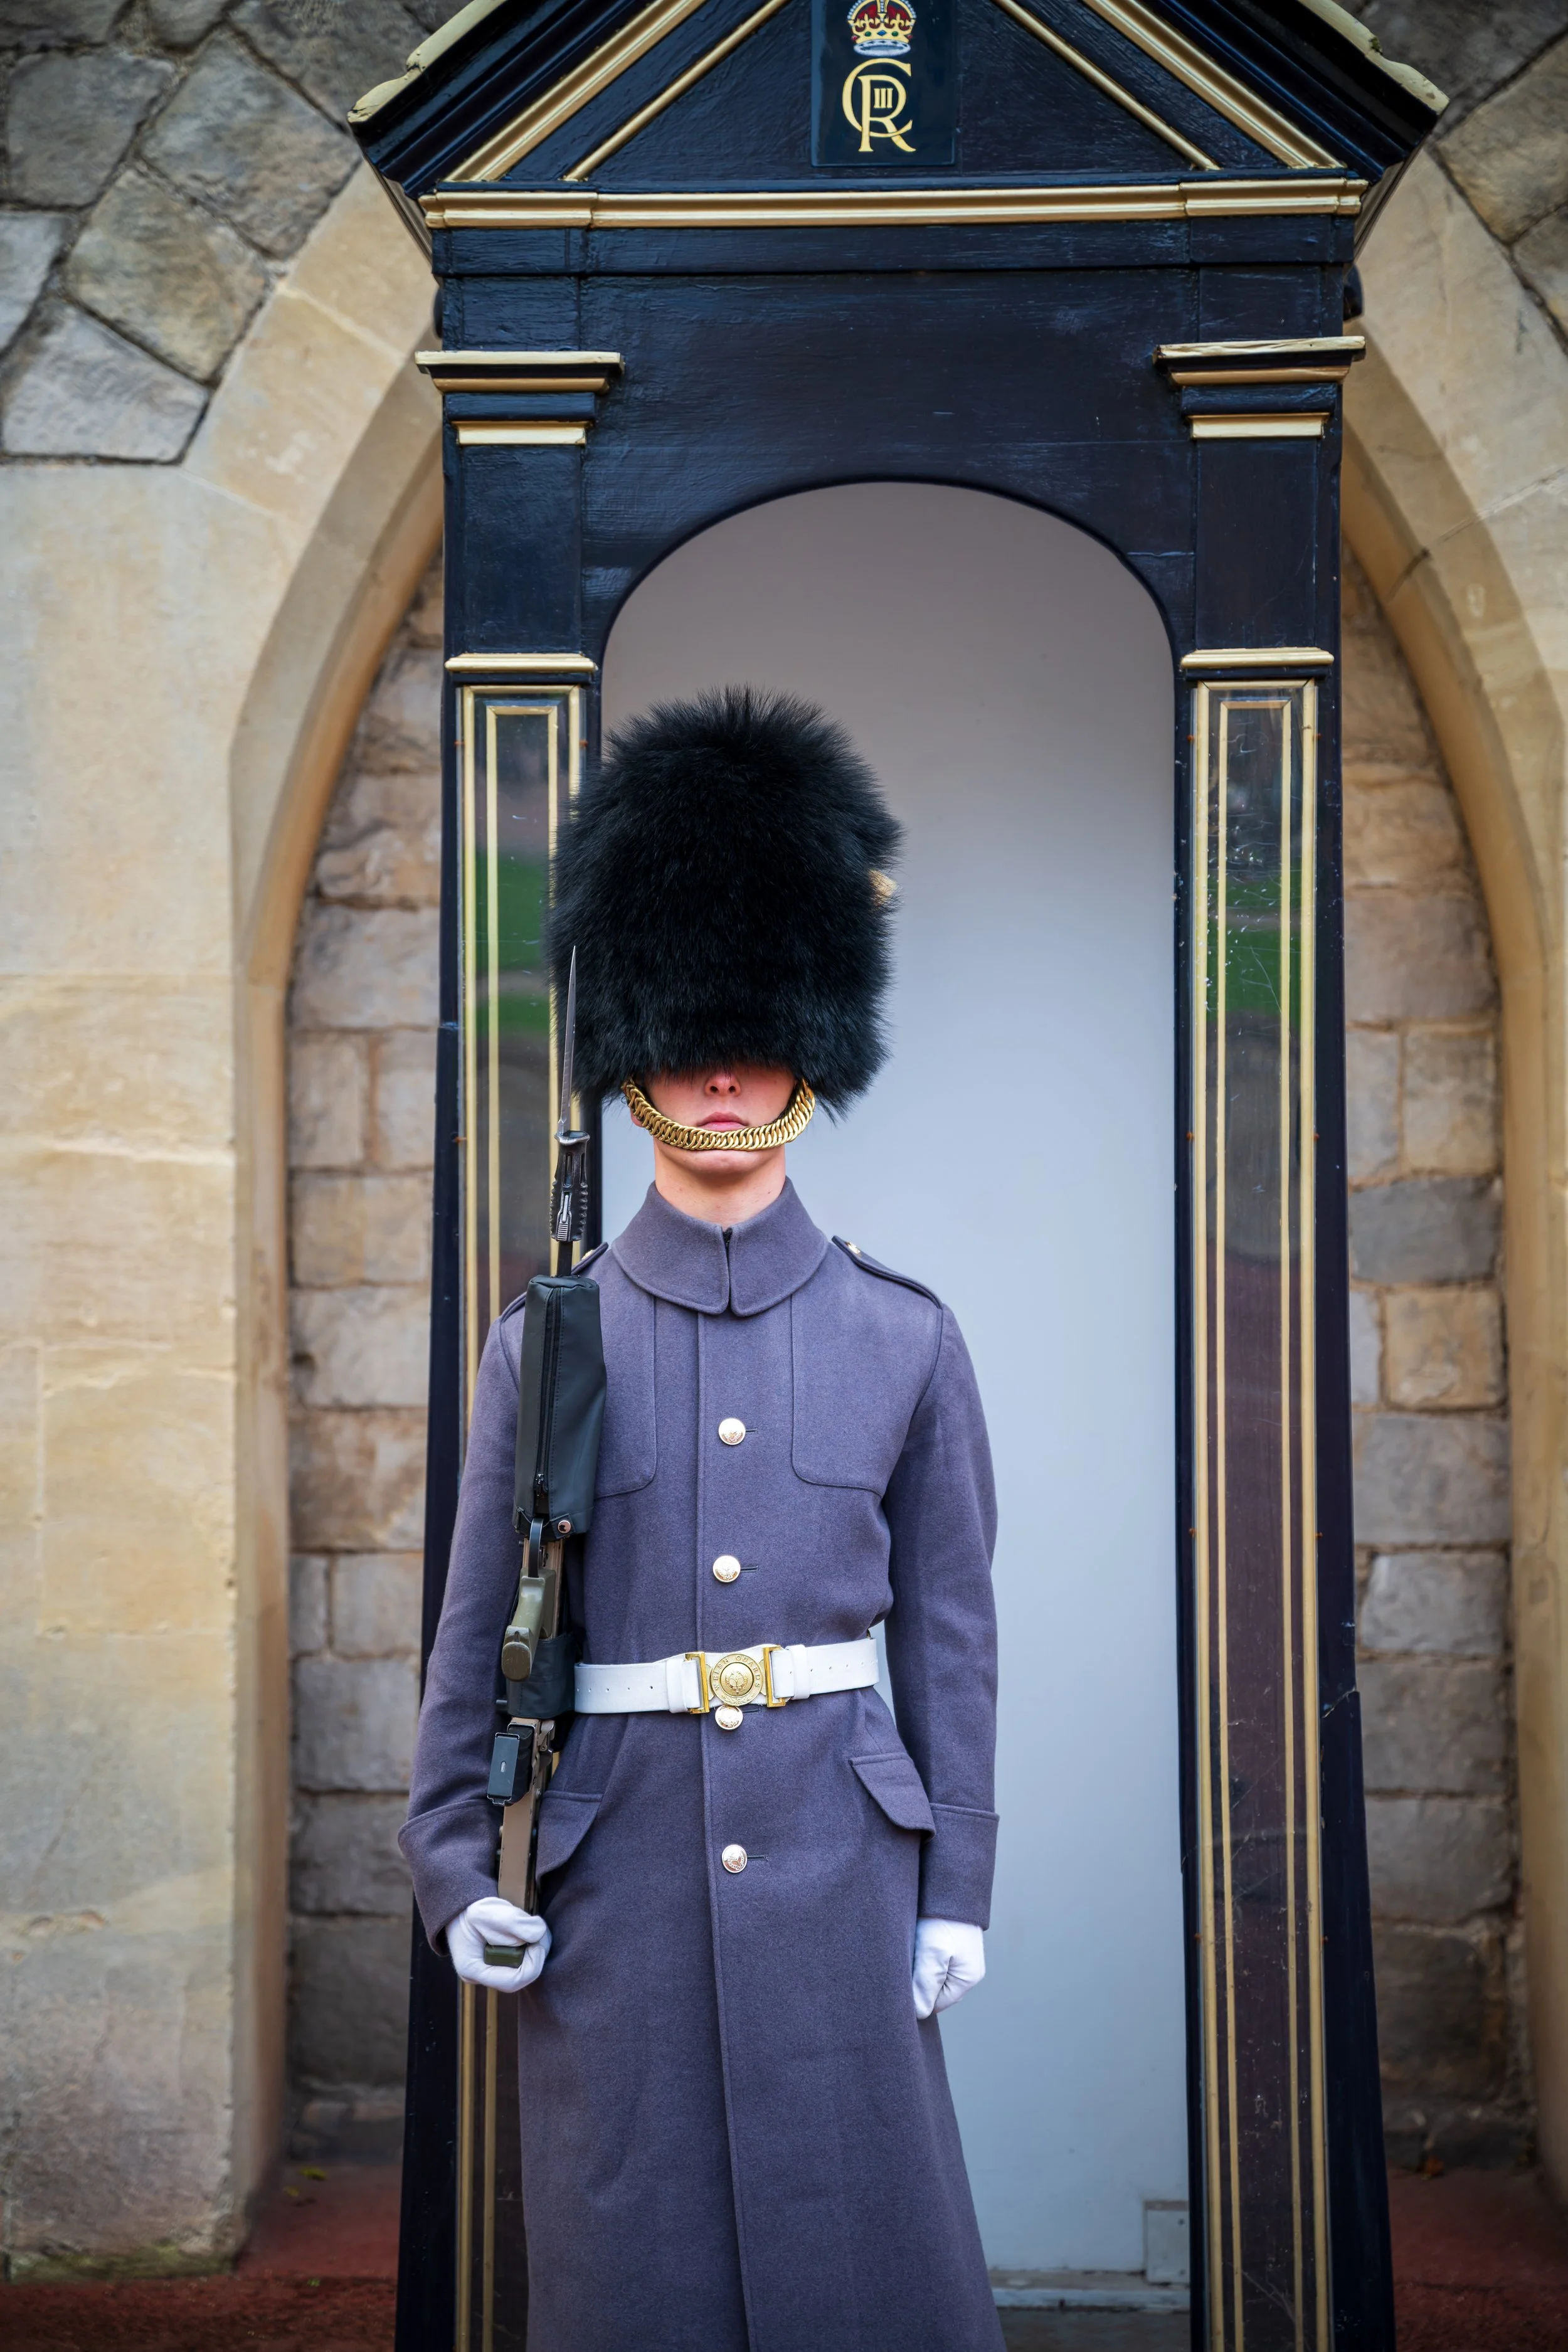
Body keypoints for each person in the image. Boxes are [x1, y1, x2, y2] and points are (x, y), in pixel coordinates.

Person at [401, 688, 1003, 2351]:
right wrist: (455, 1864)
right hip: (620, 1883)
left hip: (840, 1865)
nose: (725, 1077)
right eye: (687, 1041)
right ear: (639, 1060)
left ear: (811, 1045)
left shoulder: (903, 1336)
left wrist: (958, 1879)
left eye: (755, 1040)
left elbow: (949, 1635)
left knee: (863, 2280)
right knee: (633, 2281)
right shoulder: (554, 1340)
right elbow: (479, 1627)